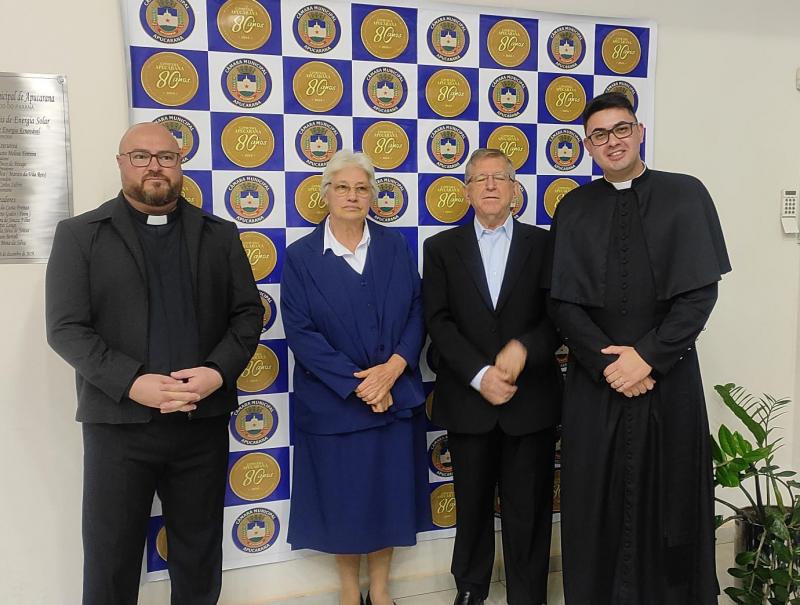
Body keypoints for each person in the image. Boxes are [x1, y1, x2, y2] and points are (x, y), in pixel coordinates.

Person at [45, 123, 263, 605]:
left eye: (166, 157)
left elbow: (248, 314)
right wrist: (132, 383)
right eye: (141, 156)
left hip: (200, 423)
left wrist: (216, 372)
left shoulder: (220, 235)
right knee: (110, 557)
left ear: (180, 164)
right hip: (118, 427)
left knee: (199, 554)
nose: (154, 167)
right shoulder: (81, 235)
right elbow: (66, 329)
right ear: (121, 163)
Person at [547, 92, 731, 604]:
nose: (612, 141)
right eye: (599, 135)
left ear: (640, 131)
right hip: (596, 381)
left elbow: (700, 293)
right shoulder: (574, 207)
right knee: (594, 501)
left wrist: (646, 357)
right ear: (588, 145)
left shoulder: (685, 194)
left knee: (670, 498)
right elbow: (562, 304)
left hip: (667, 379)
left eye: (621, 129)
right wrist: (612, 364)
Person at [280, 150, 429, 605]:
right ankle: (349, 591)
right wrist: (363, 384)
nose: (352, 195)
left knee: (387, 498)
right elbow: (301, 332)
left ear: (372, 196)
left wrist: (394, 369)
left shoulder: (394, 246)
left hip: (396, 395)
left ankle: (380, 590)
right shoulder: (301, 257)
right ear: (325, 194)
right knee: (343, 503)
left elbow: (416, 311)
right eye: (342, 187)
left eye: (362, 188)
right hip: (333, 404)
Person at [423, 148, 562, 605]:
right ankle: (470, 589)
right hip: (469, 401)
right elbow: (438, 322)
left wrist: (526, 348)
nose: (488, 185)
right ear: (466, 192)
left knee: (530, 511)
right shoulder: (441, 248)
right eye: (478, 179)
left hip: (531, 401)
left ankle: (528, 596)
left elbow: (558, 316)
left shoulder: (545, 245)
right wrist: (480, 374)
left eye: (498, 177)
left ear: (514, 190)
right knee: (473, 507)